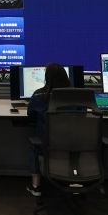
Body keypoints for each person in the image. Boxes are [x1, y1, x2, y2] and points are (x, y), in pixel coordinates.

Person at [25, 62, 72, 197]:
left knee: (34, 141)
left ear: (47, 77)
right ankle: (73, 181)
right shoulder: (76, 96)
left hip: (47, 145)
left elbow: (30, 115)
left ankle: (36, 186)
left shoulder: (39, 96)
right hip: (73, 144)